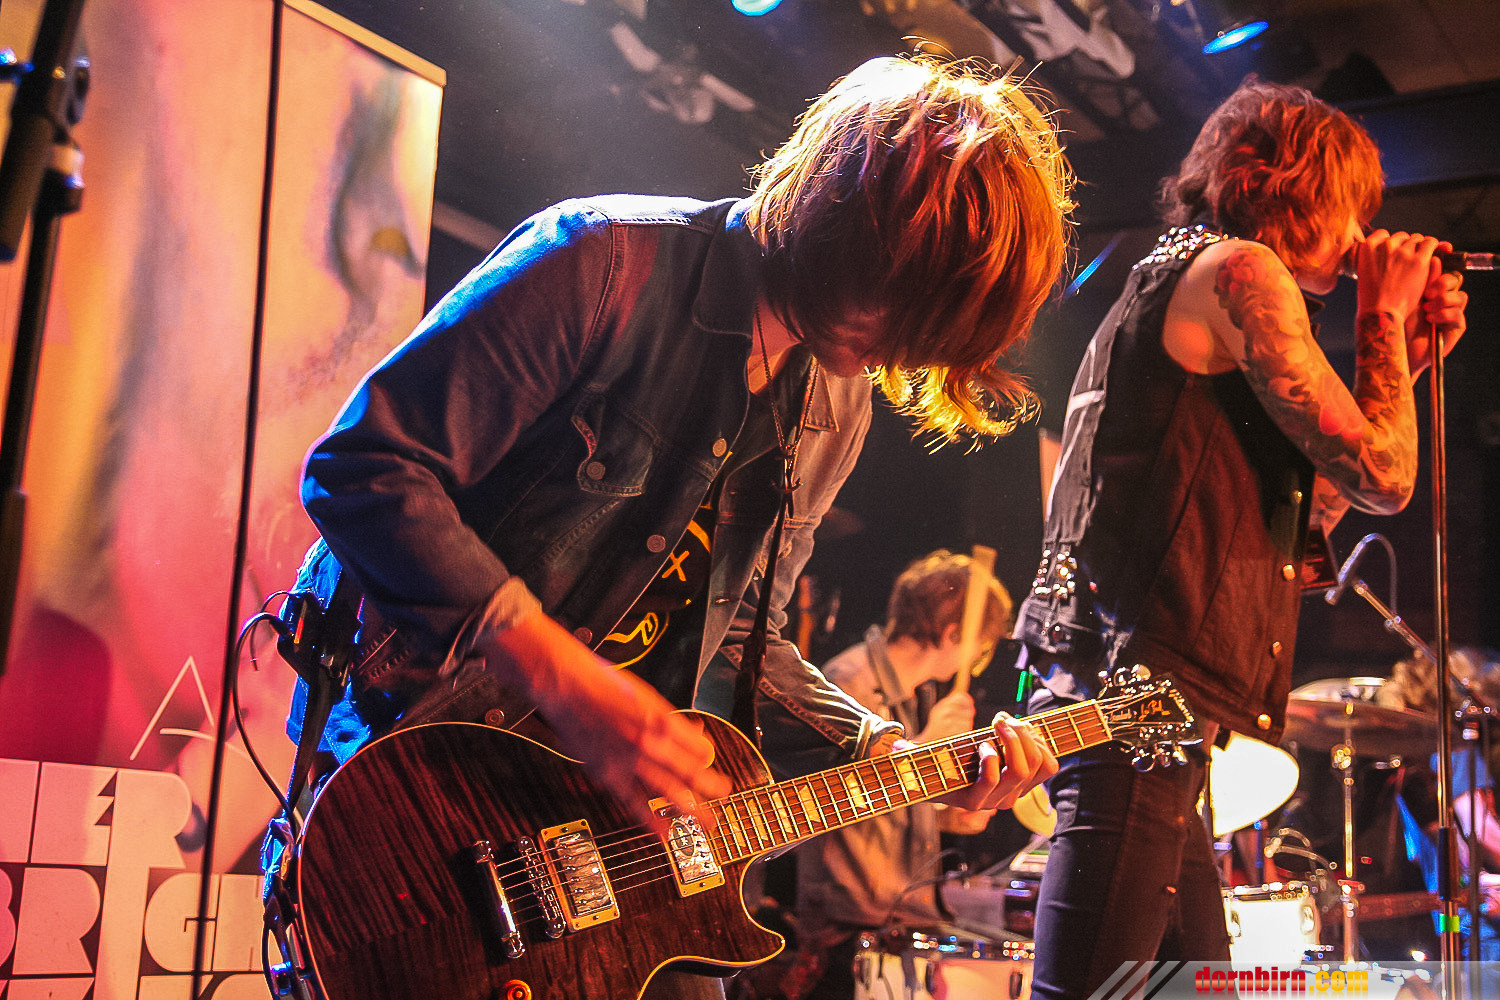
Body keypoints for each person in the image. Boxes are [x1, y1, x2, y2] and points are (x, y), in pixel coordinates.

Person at [267, 55, 1071, 999]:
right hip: (423, 790)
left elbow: (741, 633)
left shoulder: (836, 405)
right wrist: (564, 678)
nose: (898, 344)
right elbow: (364, 468)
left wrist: (884, 754)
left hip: (603, 840)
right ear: (842, 215)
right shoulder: (604, 262)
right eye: (898, 300)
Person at [1012, 78, 1469, 999]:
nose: (1361, 233)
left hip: (1151, 712)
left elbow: (1311, 512)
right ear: (1300, 190)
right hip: (1132, 709)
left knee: (1190, 983)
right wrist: (1382, 316)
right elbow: (1384, 478)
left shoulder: (1190, 275)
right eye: (1353, 207)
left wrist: (1408, 363)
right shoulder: (1239, 271)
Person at [788, 550, 1013, 1000]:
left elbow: (899, 811)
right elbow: (829, 801)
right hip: (850, 931)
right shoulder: (845, 684)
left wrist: (958, 808)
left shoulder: (915, 694)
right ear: (953, 635)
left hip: (903, 920)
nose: (975, 658)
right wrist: (928, 746)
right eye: (980, 647)